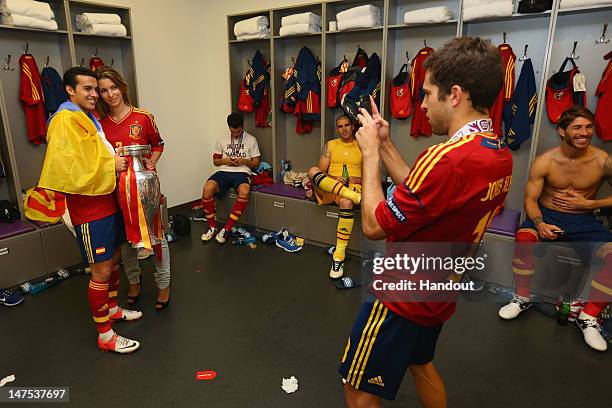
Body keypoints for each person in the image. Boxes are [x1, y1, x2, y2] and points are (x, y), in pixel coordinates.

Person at [340, 37, 512, 407]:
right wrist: (385, 143)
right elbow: (425, 196)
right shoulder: (496, 152)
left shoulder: (446, 157)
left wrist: (369, 153)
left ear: (454, 95)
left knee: (357, 389)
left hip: (399, 297)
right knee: (421, 365)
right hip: (438, 290)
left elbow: (373, 225)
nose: (422, 104)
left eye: (427, 93)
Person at [38, 67, 142, 354]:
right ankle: (105, 335)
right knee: (101, 270)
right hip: (88, 208)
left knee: (116, 256)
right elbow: (66, 167)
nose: (95, 94)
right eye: (87, 89)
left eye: (96, 89)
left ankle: (111, 308)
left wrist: (113, 159)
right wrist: (111, 165)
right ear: (70, 90)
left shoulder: (88, 117)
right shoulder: (64, 120)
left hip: (108, 199)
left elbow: (92, 153)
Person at [498, 106, 612, 352]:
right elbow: (530, 200)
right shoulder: (545, 161)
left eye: (589, 127)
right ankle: (522, 298)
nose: (585, 133)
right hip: (547, 217)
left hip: (585, 221)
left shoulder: (604, 161)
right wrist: (540, 223)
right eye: (578, 128)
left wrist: (591, 203)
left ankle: (588, 317)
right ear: (562, 131)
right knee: (524, 239)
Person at [96, 67, 171, 310]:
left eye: (113, 88)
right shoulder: (100, 125)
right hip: (116, 191)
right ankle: (134, 282)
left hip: (145, 188)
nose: (110, 94)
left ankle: (163, 284)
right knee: (126, 240)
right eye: (103, 91)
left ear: (122, 87)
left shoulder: (143, 117)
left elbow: (158, 144)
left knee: (157, 236)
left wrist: (153, 160)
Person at [307, 114, 362, 279]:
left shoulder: (362, 146)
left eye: (347, 125)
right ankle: (349, 194)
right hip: (332, 186)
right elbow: (321, 172)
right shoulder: (330, 145)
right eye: (340, 126)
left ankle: (338, 256)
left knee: (346, 202)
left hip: (353, 186)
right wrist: (334, 180)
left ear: (352, 126)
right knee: (312, 171)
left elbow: (370, 177)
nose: (344, 129)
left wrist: (353, 179)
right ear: (337, 129)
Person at [201, 113, 261, 244]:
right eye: (233, 131)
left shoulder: (251, 140)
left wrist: (244, 161)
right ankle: (212, 227)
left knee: (244, 191)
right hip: (224, 171)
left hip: (242, 172)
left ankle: (227, 228)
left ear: (242, 127)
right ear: (229, 128)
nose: (235, 134)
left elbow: (256, 162)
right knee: (207, 189)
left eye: (238, 131)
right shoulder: (221, 140)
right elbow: (216, 162)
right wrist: (226, 160)